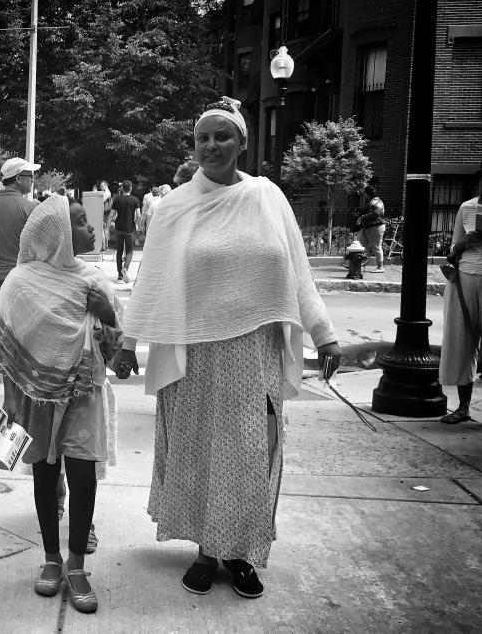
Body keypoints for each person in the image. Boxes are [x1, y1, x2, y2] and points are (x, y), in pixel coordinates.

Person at [113, 97, 341, 599]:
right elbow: (151, 280)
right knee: (197, 452)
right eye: (203, 138)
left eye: (222, 136)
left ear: (242, 142)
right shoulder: (174, 207)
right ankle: (205, 549)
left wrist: (323, 333)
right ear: (194, 145)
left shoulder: (267, 197)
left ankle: (238, 553)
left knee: (249, 452)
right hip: (193, 353)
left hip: (254, 352)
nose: (211, 145)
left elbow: (297, 271)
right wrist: (128, 343)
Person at [0, 195, 119, 614]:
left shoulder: (94, 281)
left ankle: (77, 566)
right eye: (79, 222)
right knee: (45, 473)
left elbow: (116, 350)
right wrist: (10, 397)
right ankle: (51, 558)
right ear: (57, 236)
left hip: (84, 394)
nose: (90, 227)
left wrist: (107, 313)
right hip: (37, 400)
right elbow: (3, 338)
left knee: (83, 474)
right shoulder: (21, 281)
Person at [438, 156, 482, 435]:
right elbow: (453, 249)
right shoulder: (467, 208)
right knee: (461, 340)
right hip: (466, 276)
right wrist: (465, 243)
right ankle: (463, 407)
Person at [0, 157, 38, 406]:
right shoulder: (28, 207)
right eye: (30, 176)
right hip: (18, 280)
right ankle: (13, 397)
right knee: (16, 337)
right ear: (19, 178)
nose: (32, 181)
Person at [108, 179, 141, 283]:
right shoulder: (135, 200)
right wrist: (138, 227)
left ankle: (120, 276)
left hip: (119, 228)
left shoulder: (117, 199)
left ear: (122, 188)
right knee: (130, 251)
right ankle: (125, 269)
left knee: (119, 251)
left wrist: (107, 228)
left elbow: (111, 215)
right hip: (129, 228)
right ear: (131, 188)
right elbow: (138, 216)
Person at [357, 185, 386, 273]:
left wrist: (362, 217)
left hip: (376, 227)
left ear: (367, 193)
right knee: (360, 243)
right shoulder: (371, 201)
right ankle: (355, 263)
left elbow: (376, 214)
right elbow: (366, 211)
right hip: (368, 227)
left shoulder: (376, 201)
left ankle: (380, 267)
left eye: (364, 193)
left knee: (376, 246)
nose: (363, 194)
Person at [99, 180, 112, 251]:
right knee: (105, 229)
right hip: (106, 213)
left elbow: (101, 201)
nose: (100, 187)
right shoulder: (105, 192)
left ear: (106, 186)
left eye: (102, 186)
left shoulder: (107, 193)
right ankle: (105, 245)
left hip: (106, 213)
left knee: (105, 229)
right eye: (100, 186)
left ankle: (105, 246)